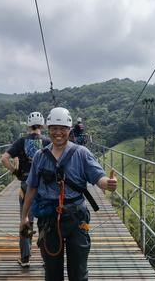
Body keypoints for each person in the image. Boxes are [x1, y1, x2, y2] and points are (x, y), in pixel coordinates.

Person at [20, 107, 117, 281]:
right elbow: (32, 187)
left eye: (63, 129)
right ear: (47, 129)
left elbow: (98, 177)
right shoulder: (40, 156)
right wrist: (24, 217)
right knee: (52, 273)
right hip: (49, 218)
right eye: (54, 128)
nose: (58, 133)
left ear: (69, 130)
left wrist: (107, 184)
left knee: (78, 273)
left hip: (76, 216)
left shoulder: (81, 153)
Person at [1, 111, 50, 268]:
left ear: (28, 125)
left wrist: (15, 172)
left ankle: (25, 258)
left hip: (26, 185)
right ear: (42, 125)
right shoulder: (48, 141)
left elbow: (4, 158)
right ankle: (47, 258)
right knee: (45, 221)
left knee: (26, 221)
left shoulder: (21, 141)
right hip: (43, 187)